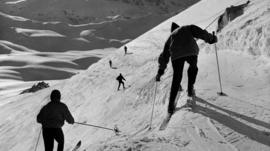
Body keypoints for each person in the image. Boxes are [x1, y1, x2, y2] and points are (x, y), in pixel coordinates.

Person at [156, 22, 217, 114]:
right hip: (191, 51)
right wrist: (211, 39)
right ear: (179, 27)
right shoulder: (187, 28)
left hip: (176, 55)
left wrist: (160, 72)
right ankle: (190, 89)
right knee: (193, 67)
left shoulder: (171, 37)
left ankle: (171, 105)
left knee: (177, 77)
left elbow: (164, 56)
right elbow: (200, 32)